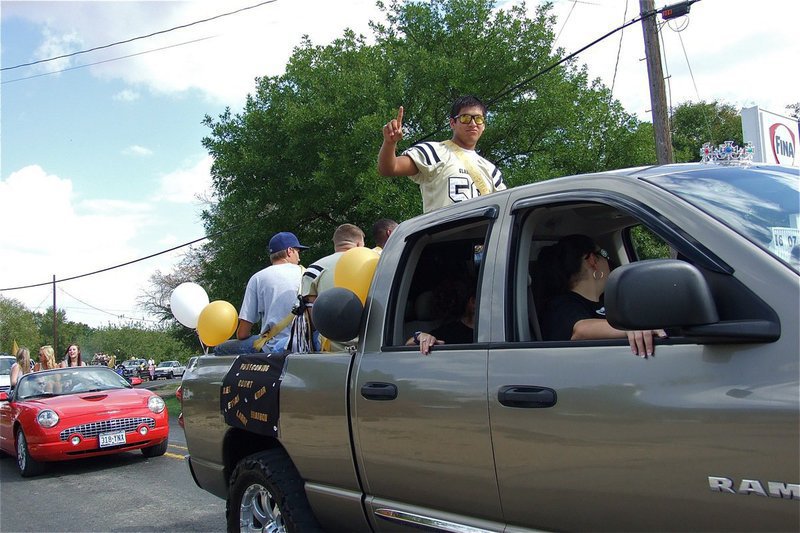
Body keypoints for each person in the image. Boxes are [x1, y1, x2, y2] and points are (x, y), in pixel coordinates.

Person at [539, 234, 666, 358]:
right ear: (592, 260)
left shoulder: (609, 300)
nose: (608, 261)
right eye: (604, 254)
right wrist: (630, 328)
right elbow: (580, 330)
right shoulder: (561, 305)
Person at [378, 95, 506, 213]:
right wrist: (389, 143)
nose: (472, 123)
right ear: (452, 123)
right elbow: (389, 168)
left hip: (482, 237)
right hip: (443, 236)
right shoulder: (434, 152)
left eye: (478, 119)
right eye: (465, 118)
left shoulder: (491, 171)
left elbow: (503, 208)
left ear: (483, 126)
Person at [214, 231, 309, 355]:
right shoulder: (307, 274)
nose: (299, 257)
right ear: (289, 251)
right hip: (304, 343)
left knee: (220, 348)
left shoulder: (258, 278)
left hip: (272, 345)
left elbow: (242, 333)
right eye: (298, 252)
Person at [301, 224, 365, 351]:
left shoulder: (315, 269)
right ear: (358, 244)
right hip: (370, 342)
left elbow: (312, 316)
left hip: (330, 345)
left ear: (335, 244)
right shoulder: (374, 263)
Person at [406, 278, 476, 356]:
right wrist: (419, 336)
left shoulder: (490, 332)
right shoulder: (450, 332)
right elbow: (409, 344)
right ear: (473, 302)